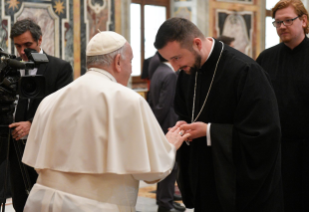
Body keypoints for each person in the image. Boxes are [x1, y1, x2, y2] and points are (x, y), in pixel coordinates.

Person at [21, 31, 190, 212]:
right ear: (118, 61)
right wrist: (170, 146)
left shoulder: (50, 100)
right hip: (93, 206)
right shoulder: (128, 100)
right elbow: (152, 173)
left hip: (40, 202)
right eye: (130, 61)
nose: (132, 69)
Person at [154, 17, 283, 212]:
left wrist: (209, 131)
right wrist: (183, 128)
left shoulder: (246, 71)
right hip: (204, 181)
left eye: (176, 58)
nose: (174, 66)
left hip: (237, 189)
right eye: (169, 60)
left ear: (197, 43)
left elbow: (264, 135)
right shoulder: (187, 73)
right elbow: (184, 112)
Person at [0, 19, 73, 212]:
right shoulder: (10, 68)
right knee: (19, 201)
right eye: (17, 46)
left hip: (45, 149)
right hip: (15, 148)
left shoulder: (60, 68)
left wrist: (32, 124)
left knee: (45, 202)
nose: (22, 51)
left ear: (40, 40)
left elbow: (63, 108)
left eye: (28, 45)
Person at [256, 0, 309, 211]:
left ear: (303, 20)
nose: (282, 26)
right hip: (277, 150)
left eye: (288, 21)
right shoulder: (265, 58)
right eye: (277, 22)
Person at [148, 52, 185, 212]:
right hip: (167, 125)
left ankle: (163, 199)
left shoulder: (158, 70)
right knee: (170, 167)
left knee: (163, 164)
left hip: (160, 124)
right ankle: (166, 203)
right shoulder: (170, 74)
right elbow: (165, 104)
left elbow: (153, 100)